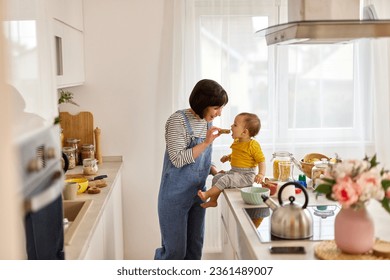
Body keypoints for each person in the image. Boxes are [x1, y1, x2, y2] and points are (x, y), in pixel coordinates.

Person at [154, 79, 229, 260]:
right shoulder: (177, 121)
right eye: (216, 107)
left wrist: (214, 171)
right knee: (175, 253)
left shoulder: (206, 122)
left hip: (197, 194)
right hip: (174, 197)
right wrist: (205, 143)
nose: (219, 113)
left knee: (195, 250)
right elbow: (178, 159)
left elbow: (201, 160)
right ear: (202, 103)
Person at [198, 112, 266, 208]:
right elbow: (239, 154)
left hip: (246, 176)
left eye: (235, 125)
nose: (231, 126)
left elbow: (261, 161)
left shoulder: (253, 145)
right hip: (235, 172)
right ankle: (213, 201)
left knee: (225, 179)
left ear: (244, 132)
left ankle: (207, 194)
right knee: (217, 177)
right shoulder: (237, 141)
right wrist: (228, 157)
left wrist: (261, 174)